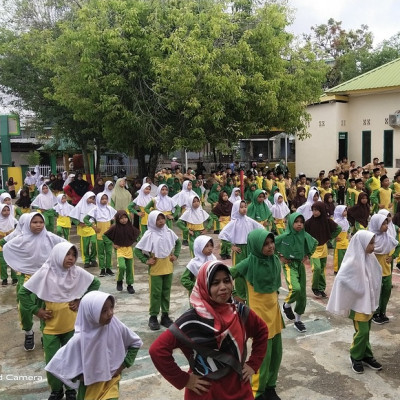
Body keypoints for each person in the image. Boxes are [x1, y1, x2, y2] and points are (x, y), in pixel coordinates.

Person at [149, 260, 268, 400]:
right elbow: (157, 350)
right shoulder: (191, 320)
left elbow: (262, 331)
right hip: (206, 392)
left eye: (226, 280)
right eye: (215, 283)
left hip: (238, 388)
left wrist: (253, 364)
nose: (223, 287)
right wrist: (184, 380)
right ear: (204, 286)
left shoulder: (239, 312)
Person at [19, 243, 100, 400]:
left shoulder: (76, 272)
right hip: (51, 327)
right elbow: (23, 293)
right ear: (57, 255)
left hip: (72, 325)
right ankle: (56, 390)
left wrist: (80, 299)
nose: (71, 258)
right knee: (52, 359)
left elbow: (95, 283)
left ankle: (70, 389)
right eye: (66, 254)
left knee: (72, 357)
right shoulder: (44, 273)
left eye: (73, 255)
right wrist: (37, 310)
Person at [45, 291, 143, 400]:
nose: (110, 313)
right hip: (89, 387)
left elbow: (136, 342)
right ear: (91, 314)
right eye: (104, 311)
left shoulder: (115, 325)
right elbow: (59, 364)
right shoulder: (80, 339)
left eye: (111, 307)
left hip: (111, 382)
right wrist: (77, 376)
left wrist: (122, 365)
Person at [230, 230, 284, 400]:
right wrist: (234, 293)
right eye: (265, 244)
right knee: (263, 355)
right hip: (260, 315)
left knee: (276, 353)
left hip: (274, 312)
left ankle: (270, 386)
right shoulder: (248, 263)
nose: (270, 247)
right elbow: (228, 274)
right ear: (256, 246)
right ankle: (257, 391)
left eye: (271, 242)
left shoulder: (274, 259)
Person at [3, 212, 66, 350]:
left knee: (47, 306)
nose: (38, 225)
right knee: (25, 307)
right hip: (27, 277)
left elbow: (65, 247)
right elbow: (7, 247)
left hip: (46, 277)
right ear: (28, 224)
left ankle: (46, 333)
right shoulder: (21, 239)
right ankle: (28, 332)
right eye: (34, 222)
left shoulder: (50, 237)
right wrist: (19, 265)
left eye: (41, 222)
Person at [326, 230, 383, 374]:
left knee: (366, 331)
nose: (373, 246)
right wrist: (356, 289)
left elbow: (376, 275)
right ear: (361, 244)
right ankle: (355, 356)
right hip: (358, 305)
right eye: (370, 243)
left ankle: (366, 355)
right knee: (362, 331)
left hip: (368, 303)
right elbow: (342, 279)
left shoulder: (370, 259)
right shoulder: (352, 262)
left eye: (373, 243)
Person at [135, 211, 181, 330]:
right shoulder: (149, 234)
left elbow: (178, 242)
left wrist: (175, 255)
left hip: (168, 266)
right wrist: (146, 260)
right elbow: (137, 249)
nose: (161, 221)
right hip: (156, 268)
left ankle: (165, 316)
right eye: (158, 219)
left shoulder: (169, 232)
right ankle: (153, 317)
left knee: (166, 292)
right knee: (155, 293)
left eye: (162, 219)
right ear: (152, 221)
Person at [275, 212, 318, 332]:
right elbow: (271, 244)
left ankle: (298, 321)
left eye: (301, 222)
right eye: (296, 222)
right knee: (296, 289)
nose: (299, 224)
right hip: (289, 265)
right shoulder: (285, 236)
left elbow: (314, 243)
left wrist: (307, 255)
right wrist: (280, 256)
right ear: (290, 223)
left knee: (302, 294)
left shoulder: (305, 235)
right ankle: (287, 305)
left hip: (300, 265)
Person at [218, 200, 262, 302]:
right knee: (239, 272)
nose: (244, 209)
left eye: (245, 206)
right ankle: (240, 296)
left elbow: (261, 229)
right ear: (236, 209)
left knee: (251, 270)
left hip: (250, 249)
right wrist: (231, 246)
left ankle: (250, 294)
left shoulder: (249, 221)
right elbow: (223, 235)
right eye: (241, 207)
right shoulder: (234, 222)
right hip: (239, 250)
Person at [305, 201, 341, 298]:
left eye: (317, 210)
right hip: (313, 249)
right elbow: (304, 235)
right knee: (316, 268)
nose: (314, 212)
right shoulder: (308, 223)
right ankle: (315, 287)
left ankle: (321, 288)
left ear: (321, 210)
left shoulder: (327, 221)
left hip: (323, 247)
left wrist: (329, 237)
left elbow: (338, 229)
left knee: (322, 269)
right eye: (313, 210)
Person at [368, 214, 400, 324]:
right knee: (376, 291)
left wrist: (393, 256)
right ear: (376, 224)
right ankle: (375, 313)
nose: (386, 226)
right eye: (383, 224)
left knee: (386, 290)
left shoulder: (387, 237)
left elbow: (397, 245)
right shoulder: (370, 238)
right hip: (374, 270)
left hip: (386, 269)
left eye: (386, 223)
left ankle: (382, 312)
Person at [104, 210, 140, 294]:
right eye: (121, 218)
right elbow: (105, 236)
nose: (124, 220)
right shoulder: (114, 227)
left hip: (129, 249)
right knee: (122, 266)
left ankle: (130, 285)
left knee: (130, 269)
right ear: (117, 219)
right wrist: (113, 244)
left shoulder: (130, 227)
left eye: (125, 218)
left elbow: (137, 235)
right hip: (120, 250)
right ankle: (119, 280)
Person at [84, 193, 117, 277]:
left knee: (109, 252)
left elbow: (116, 218)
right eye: (102, 199)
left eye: (106, 198)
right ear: (98, 200)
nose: (104, 200)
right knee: (101, 253)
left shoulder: (110, 209)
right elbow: (85, 219)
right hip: (99, 234)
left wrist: (114, 224)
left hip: (109, 234)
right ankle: (102, 269)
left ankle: (108, 268)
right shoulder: (95, 210)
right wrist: (93, 227)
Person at [70, 192, 97, 269]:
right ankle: (86, 260)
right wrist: (78, 223)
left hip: (92, 227)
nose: (91, 200)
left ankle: (93, 258)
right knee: (85, 245)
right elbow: (73, 216)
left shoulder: (94, 206)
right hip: (83, 228)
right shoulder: (79, 206)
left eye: (92, 198)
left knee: (94, 242)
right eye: (90, 198)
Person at [210, 191, 233, 258]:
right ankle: (223, 253)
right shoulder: (219, 205)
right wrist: (217, 219)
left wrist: (232, 218)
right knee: (224, 239)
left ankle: (228, 253)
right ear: (221, 197)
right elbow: (212, 213)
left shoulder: (230, 204)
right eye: (223, 196)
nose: (225, 197)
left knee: (229, 239)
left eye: (226, 195)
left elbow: (234, 212)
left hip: (229, 222)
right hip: (222, 223)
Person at [0, 204, 18, 286]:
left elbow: (19, 227)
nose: (6, 212)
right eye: (4, 210)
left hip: (12, 243)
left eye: (8, 210)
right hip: (1, 244)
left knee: (13, 261)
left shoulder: (12, 220)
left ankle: (15, 278)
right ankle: (4, 279)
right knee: (2, 263)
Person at [333, 205, 350, 274]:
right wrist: (334, 237)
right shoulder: (336, 221)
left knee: (345, 254)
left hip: (345, 240)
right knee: (338, 256)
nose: (345, 212)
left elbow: (347, 228)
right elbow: (332, 230)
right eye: (344, 211)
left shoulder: (345, 220)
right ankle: (337, 269)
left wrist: (348, 233)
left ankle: (344, 268)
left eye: (346, 210)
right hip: (339, 240)